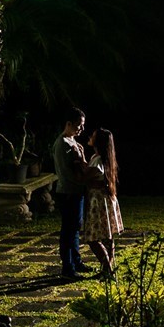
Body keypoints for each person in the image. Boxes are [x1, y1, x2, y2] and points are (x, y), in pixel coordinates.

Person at [52, 106, 93, 279]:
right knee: (68, 230)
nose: (81, 129)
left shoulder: (73, 142)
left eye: (82, 125)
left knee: (75, 228)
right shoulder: (62, 144)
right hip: (69, 192)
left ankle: (76, 261)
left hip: (76, 192)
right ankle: (67, 268)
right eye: (78, 125)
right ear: (68, 124)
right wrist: (85, 181)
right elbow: (66, 174)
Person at [82, 127, 124, 277]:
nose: (90, 136)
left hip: (98, 202)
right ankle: (107, 268)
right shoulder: (101, 157)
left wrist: (80, 157)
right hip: (105, 200)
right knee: (107, 236)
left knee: (93, 238)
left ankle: (107, 268)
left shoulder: (98, 159)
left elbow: (85, 176)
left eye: (93, 135)